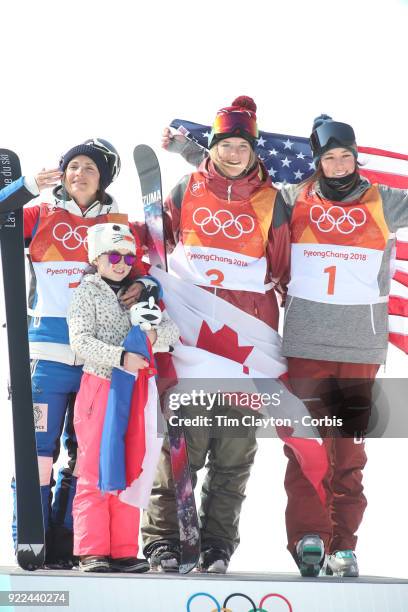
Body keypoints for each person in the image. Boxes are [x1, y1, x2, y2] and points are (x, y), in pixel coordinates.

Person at [160, 113, 408, 578]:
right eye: (328, 158)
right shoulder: (293, 199)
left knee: (348, 455)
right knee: (306, 447)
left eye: (345, 157)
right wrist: (190, 152)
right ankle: (309, 538)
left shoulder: (384, 201)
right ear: (317, 162)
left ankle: (344, 546)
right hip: (304, 345)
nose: (337, 166)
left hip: (359, 349)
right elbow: (238, 185)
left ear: (357, 159)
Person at [141, 96, 291, 573]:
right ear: (213, 147)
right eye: (225, 144)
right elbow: (154, 244)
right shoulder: (187, 190)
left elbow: (285, 268)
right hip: (193, 338)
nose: (232, 153)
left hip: (250, 343)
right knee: (179, 448)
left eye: (241, 146)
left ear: (253, 151)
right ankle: (164, 539)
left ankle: (217, 544)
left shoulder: (271, 201)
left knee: (234, 455)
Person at [0, 139, 149, 568]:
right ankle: (32, 536)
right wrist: (27, 186)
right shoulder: (40, 215)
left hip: (98, 361)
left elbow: (151, 270)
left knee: (85, 455)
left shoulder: (122, 225)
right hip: (46, 354)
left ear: (103, 178)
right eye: (73, 166)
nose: (78, 174)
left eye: (89, 168)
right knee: (39, 452)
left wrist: (145, 286)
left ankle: (69, 543)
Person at [68, 222, 179, 572]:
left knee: (131, 462)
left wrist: (153, 327)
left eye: (128, 256)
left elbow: (171, 334)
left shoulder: (140, 291)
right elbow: (80, 342)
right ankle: (92, 550)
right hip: (101, 385)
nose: (121, 263)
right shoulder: (87, 292)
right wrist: (120, 356)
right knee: (94, 467)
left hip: (135, 388)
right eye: (113, 255)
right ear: (97, 258)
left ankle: (123, 550)